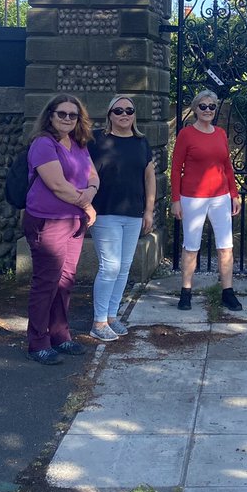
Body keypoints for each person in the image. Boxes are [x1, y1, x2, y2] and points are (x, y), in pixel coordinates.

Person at [21, 93, 98, 364]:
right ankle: (37, 342)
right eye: (61, 114)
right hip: (48, 221)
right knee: (46, 283)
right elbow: (57, 185)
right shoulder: (43, 144)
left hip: (73, 222)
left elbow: (93, 176)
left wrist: (90, 192)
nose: (67, 119)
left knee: (65, 282)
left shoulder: (78, 143)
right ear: (50, 116)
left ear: (79, 119)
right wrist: (87, 205)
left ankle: (60, 335)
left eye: (72, 115)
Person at [86, 95, 156, 343]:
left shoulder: (141, 142)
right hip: (105, 211)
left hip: (133, 212)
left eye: (129, 110)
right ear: (109, 114)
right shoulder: (96, 140)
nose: (124, 114)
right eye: (118, 110)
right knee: (110, 267)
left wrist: (149, 210)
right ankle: (98, 321)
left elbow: (149, 177)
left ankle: (112, 316)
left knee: (124, 267)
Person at [170, 89, 243, 312]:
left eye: (212, 106)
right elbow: (175, 168)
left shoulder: (220, 133)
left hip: (220, 197)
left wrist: (234, 193)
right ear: (195, 109)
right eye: (203, 106)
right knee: (191, 245)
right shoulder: (186, 134)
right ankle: (186, 291)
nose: (208, 110)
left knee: (225, 245)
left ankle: (227, 292)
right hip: (193, 197)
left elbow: (227, 167)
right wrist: (175, 199)